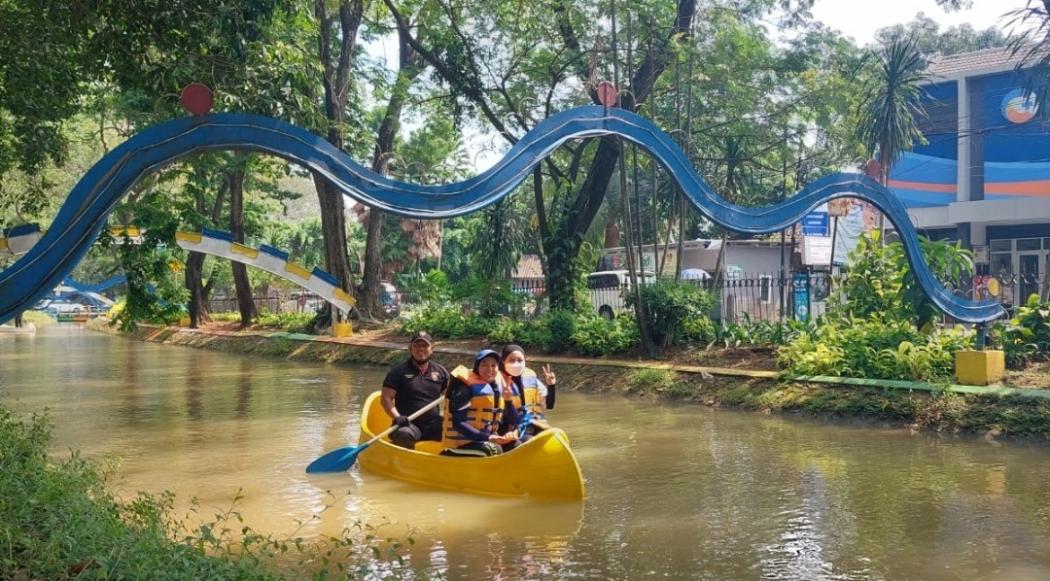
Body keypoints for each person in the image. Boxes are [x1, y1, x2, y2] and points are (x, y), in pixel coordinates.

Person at [441, 349, 520, 457]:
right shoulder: (464, 388)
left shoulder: (496, 390)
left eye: (493, 365)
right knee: (493, 449)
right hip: (461, 444)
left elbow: (515, 421)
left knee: (515, 445)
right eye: (484, 365)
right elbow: (458, 423)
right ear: (477, 367)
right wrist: (488, 437)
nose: (490, 369)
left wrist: (509, 401)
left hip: (483, 438)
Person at [381, 331, 449, 449]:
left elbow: (451, 395)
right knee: (404, 435)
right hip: (407, 424)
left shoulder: (441, 372)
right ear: (410, 348)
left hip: (432, 424)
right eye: (417, 346)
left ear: (432, 349)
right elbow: (386, 398)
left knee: (455, 430)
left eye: (425, 346)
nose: (421, 349)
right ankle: (406, 461)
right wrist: (397, 417)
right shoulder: (397, 372)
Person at [500, 344, 557, 437]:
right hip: (511, 427)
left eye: (520, 360)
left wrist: (551, 385)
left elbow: (549, 405)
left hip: (535, 422)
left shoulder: (530, 376)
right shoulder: (497, 380)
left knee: (553, 435)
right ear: (503, 362)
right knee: (528, 438)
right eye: (512, 360)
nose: (516, 364)